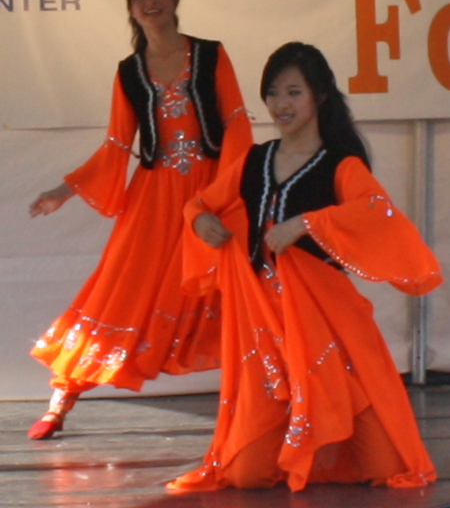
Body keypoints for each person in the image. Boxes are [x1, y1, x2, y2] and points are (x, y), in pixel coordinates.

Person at [166, 42, 443, 492]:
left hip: (325, 320)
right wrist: (199, 220)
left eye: (294, 92)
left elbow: (376, 210)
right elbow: (200, 202)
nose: (282, 104)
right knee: (246, 474)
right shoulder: (255, 160)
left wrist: (307, 223)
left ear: (319, 97)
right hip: (265, 319)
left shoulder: (340, 163)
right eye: (273, 93)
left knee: (383, 464)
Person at [27, 0, 252, 440]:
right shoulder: (128, 72)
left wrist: (230, 194)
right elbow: (116, 145)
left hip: (210, 193)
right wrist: (63, 192)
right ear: (131, 9)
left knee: (236, 292)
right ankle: (62, 396)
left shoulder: (210, 55)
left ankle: (268, 405)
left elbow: (235, 124)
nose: (151, 2)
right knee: (119, 292)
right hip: (153, 200)